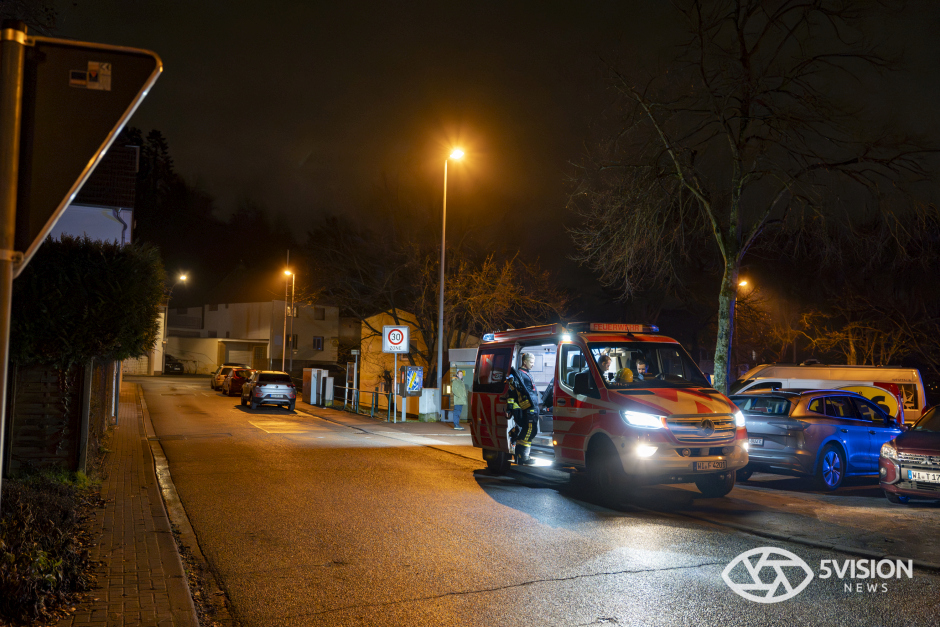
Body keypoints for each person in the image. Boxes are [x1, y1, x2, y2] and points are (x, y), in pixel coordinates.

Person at [507, 352, 540, 465]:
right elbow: (512, 393)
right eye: (531, 362)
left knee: (530, 431)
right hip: (527, 408)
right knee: (529, 431)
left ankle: (523, 456)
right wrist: (510, 408)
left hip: (532, 407)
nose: (533, 364)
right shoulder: (518, 375)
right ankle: (522, 456)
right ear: (524, 362)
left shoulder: (526, 374)